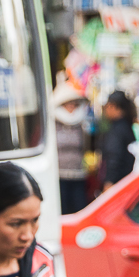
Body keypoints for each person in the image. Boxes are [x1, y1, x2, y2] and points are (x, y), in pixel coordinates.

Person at [53, 80, 92, 214]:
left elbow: (87, 146)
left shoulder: (82, 125)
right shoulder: (52, 124)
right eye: (67, 104)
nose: (71, 107)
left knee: (79, 210)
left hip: (78, 174)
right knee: (62, 210)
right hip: (59, 175)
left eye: (74, 104)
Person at [100, 90, 138, 189]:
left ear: (113, 106)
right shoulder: (127, 126)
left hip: (118, 182)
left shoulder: (117, 130)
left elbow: (114, 156)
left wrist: (109, 181)